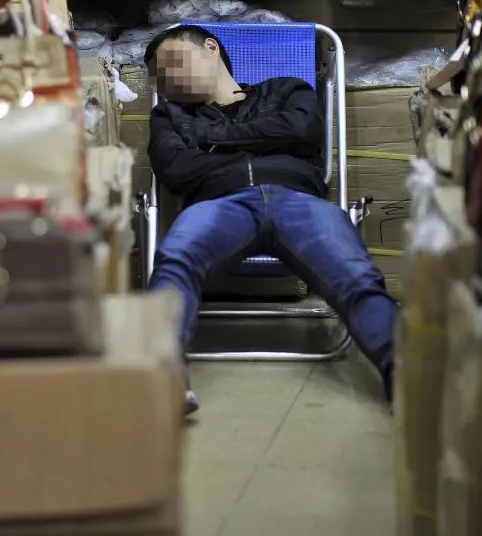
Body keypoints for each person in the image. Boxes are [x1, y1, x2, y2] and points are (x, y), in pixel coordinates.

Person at [144, 25, 398, 413]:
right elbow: (176, 169)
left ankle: (407, 376)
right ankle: (163, 380)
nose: (170, 78)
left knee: (356, 275)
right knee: (175, 260)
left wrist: (210, 139)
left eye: (175, 62)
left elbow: (302, 130)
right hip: (221, 205)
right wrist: (266, 142)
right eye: (162, 76)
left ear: (211, 48)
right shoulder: (169, 115)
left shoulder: (285, 89)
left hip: (296, 200)